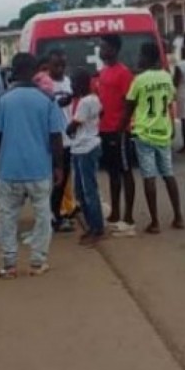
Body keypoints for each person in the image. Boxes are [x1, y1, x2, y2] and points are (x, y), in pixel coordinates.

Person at [0, 53, 67, 278]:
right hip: (39, 169)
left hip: (9, 170)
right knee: (43, 215)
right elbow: (56, 137)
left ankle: (9, 265)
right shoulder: (47, 100)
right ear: (35, 71)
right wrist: (59, 166)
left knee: (7, 217)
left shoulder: (3, 100)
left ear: (14, 70)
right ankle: (37, 262)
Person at [124, 42, 184, 234]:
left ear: (145, 57)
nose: (138, 59)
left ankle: (155, 222)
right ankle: (178, 217)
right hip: (163, 132)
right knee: (168, 174)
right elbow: (170, 103)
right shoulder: (166, 77)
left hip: (144, 133)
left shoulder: (139, 80)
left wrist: (121, 128)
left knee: (149, 176)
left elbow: (129, 105)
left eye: (140, 55)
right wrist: (171, 125)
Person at [95, 34, 136, 233]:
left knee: (125, 171)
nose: (101, 51)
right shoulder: (103, 72)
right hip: (104, 129)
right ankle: (116, 211)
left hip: (118, 131)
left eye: (104, 47)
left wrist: (121, 127)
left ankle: (128, 214)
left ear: (114, 49)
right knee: (112, 173)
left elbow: (130, 102)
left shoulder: (124, 73)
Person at [35, 51, 77, 230]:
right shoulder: (43, 83)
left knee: (62, 180)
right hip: (49, 139)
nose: (59, 69)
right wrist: (58, 104)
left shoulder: (68, 82)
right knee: (48, 180)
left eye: (62, 65)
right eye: (56, 65)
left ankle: (56, 213)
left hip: (67, 139)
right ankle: (48, 216)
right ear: (48, 66)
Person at [65, 70, 106, 246]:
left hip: (85, 148)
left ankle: (97, 228)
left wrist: (69, 128)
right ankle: (92, 226)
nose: (72, 87)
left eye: (74, 83)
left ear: (81, 84)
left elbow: (73, 126)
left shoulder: (84, 102)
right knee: (81, 191)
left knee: (88, 191)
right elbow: (102, 113)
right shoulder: (94, 99)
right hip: (84, 146)